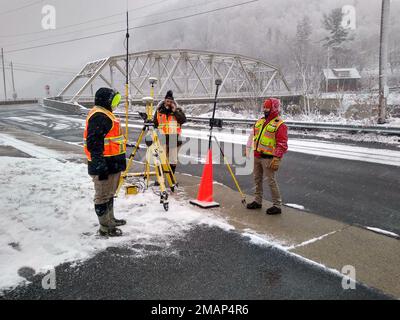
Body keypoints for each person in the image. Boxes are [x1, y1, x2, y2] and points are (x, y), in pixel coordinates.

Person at [83, 87, 127, 237]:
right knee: (102, 195)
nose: (115, 104)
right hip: (104, 165)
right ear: (106, 101)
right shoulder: (99, 116)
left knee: (109, 194)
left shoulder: (106, 114)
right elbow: (94, 143)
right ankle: (105, 228)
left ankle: (110, 220)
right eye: (113, 101)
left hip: (112, 163)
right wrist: (100, 166)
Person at [245, 98, 288, 215]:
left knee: (271, 181)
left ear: (274, 108)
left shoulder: (279, 124)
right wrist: (248, 148)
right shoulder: (260, 121)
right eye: (264, 107)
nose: (265, 109)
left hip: (269, 158)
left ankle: (277, 205)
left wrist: (277, 158)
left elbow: (282, 144)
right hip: (257, 155)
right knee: (257, 179)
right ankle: (257, 201)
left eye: (267, 107)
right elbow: (252, 135)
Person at [153, 90, 186, 174]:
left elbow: (183, 120)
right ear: (164, 100)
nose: (169, 103)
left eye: (170, 101)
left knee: (173, 159)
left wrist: (175, 111)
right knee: (162, 158)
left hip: (173, 138)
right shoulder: (159, 110)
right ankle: (161, 178)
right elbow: (155, 123)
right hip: (162, 137)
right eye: (167, 101)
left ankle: (171, 176)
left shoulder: (177, 110)